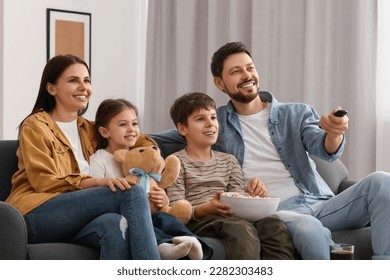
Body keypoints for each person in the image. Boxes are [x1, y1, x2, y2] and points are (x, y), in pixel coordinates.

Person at [152, 41, 390, 260]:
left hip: (320, 202)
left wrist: (335, 133)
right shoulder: (215, 123)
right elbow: (161, 140)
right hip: (277, 211)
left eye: (249, 68)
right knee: (309, 228)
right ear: (219, 83)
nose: (247, 76)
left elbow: (324, 147)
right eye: (236, 72)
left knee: (382, 181)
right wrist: (136, 144)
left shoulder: (295, 113)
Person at [6, 54, 160, 260]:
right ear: (52, 88)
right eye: (73, 80)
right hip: (36, 213)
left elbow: (137, 138)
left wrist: (152, 156)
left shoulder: (89, 128)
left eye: (86, 80)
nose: (83, 87)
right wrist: (97, 182)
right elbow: (44, 182)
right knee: (131, 192)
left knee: (114, 225)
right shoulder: (35, 126)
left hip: (76, 215)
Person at [165, 92, 294, 260]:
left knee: (273, 224)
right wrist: (207, 208)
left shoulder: (229, 161)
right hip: (199, 220)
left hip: (230, 216)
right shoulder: (175, 162)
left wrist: (251, 193)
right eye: (200, 119)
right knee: (239, 227)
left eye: (213, 117)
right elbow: (177, 210)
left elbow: (237, 197)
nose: (210, 124)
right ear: (183, 128)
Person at [89, 98, 213, 260]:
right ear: (105, 132)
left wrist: (163, 199)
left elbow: (156, 185)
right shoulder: (99, 159)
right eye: (122, 124)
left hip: (150, 213)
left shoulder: (144, 157)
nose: (131, 129)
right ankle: (163, 245)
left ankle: (196, 244)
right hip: (122, 215)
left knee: (164, 218)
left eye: (134, 123)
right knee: (141, 223)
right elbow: (96, 198)